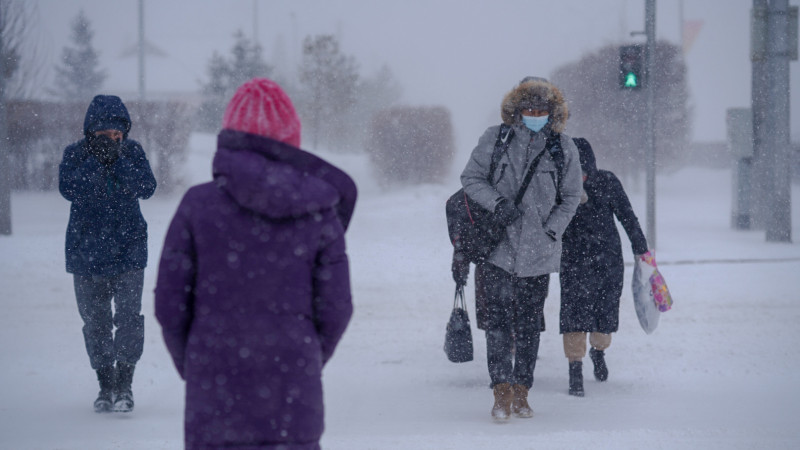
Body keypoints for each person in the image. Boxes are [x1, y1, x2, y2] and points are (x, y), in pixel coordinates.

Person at [154, 78, 356, 449]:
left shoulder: (197, 207)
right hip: (293, 396)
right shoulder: (318, 212)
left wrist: (199, 363)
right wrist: (303, 356)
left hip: (214, 399)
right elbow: (336, 309)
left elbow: (169, 305)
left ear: (231, 135)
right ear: (291, 138)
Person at [454, 77, 583, 420]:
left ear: (551, 112)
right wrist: (497, 204)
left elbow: (571, 197)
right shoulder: (495, 139)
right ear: (517, 110)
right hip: (497, 248)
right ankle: (500, 391)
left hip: (538, 255)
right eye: (529, 108)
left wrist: (551, 230)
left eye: (541, 110)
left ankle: (523, 390)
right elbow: (470, 178)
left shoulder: (563, 147)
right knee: (496, 324)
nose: (535, 114)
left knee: (528, 326)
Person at [58, 95, 157, 413]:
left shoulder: (133, 152)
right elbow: (68, 189)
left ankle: (125, 384)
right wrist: (95, 161)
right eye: (105, 135)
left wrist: (118, 160)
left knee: (129, 321)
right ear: (91, 133)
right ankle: (105, 385)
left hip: (128, 251)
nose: (114, 139)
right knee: (96, 323)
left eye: (118, 134)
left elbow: (147, 187)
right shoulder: (75, 154)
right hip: (86, 253)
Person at [559, 137, 649, 397]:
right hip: (573, 261)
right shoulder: (560, 185)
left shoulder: (608, 182)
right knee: (573, 315)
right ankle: (574, 367)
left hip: (606, 260)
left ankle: (598, 352)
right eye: (577, 172)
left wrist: (641, 248)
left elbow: (627, 216)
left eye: (585, 172)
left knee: (604, 313)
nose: (582, 178)